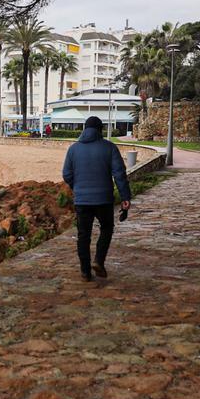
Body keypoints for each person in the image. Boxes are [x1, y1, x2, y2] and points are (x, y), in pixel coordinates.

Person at [62, 116, 132, 281]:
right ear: (100, 130)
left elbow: (66, 174)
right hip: (104, 199)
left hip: (82, 201)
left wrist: (77, 187)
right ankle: (99, 260)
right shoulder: (109, 148)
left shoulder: (73, 149)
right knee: (106, 229)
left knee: (83, 235)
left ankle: (85, 271)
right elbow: (119, 174)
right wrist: (125, 197)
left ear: (84, 130)